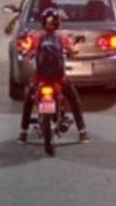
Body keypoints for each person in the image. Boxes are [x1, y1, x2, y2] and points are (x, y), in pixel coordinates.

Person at [19, 8, 89, 144]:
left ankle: (23, 133)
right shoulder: (63, 36)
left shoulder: (35, 36)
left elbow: (26, 50)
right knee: (74, 99)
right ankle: (82, 132)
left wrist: (27, 52)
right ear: (58, 22)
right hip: (59, 78)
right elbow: (72, 51)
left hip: (40, 78)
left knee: (28, 101)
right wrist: (73, 52)